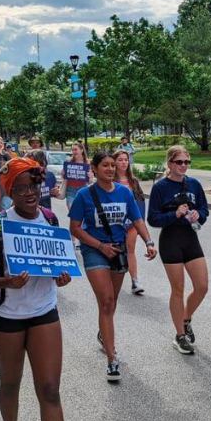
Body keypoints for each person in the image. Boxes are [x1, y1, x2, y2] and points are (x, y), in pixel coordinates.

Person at [0, 158, 71, 421]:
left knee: (50, 390)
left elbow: (59, 266)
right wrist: (7, 282)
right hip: (6, 317)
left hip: (44, 311)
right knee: (10, 382)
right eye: (21, 188)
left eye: (34, 185)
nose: (30, 193)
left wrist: (61, 275)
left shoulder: (50, 219)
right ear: (9, 192)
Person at [69, 151, 157, 382]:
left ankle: (103, 333)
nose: (109, 169)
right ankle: (111, 359)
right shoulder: (84, 195)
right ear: (94, 169)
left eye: (112, 165)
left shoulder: (124, 192)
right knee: (106, 301)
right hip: (95, 251)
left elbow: (137, 220)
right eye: (104, 165)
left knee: (112, 302)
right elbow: (75, 228)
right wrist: (99, 246)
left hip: (117, 251)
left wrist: (148, 242)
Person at [147, 146, 210, 355]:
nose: (183, 166)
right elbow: (153, 218)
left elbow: (204, 210)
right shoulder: (160, 188)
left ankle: (186, 317)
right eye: (179, 162)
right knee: (178, 289)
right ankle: (180, 335)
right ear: (170, 164)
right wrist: (174, 214)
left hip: (190, 238)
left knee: (202, 286)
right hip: (171, 240)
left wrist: (197, 216)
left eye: (186, 162)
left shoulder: (194, 184)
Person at [113, 150, 146, 295]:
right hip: (115, 223)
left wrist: (141, 224)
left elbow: (140, 202)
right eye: (120, 160)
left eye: (126, 159)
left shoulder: (134, 182)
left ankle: (135, 281)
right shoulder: (110, 181)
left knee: (130, 250)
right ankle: (112, 278)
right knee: (116, 251)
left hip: (132, 223)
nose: (124, 162)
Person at [61, 143, 91, 212]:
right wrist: (63, 174)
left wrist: (90, 177)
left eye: (75, 149)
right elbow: (63, 176)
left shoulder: (87, 162)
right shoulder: (68, 161)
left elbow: (89, 181)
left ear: (81, 150)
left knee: (82, 213)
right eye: (72, 150)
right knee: (73, 212)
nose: (74, 151)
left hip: (83, 189)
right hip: (70, 190)